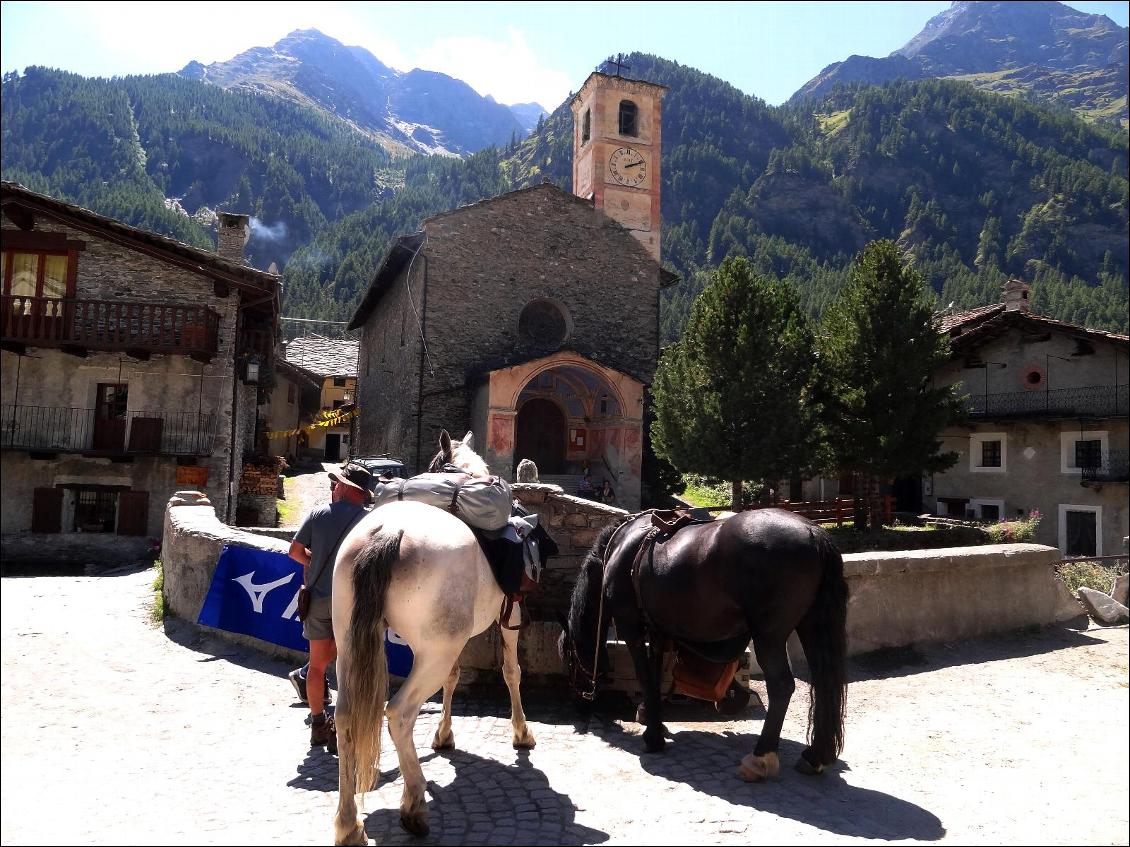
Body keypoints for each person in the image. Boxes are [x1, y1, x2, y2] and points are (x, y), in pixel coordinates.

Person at [288, 461, 373, 749]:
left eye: (337, 483)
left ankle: (317, 724)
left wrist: (314, 561)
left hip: (319, 600)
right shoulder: (370, 522)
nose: (334, 486)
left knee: (317, 666)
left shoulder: (318, 514)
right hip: (351, 604)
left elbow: (295, 552)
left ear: (347, 488)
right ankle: (340, 727)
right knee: (348, 666)